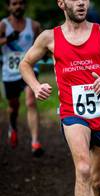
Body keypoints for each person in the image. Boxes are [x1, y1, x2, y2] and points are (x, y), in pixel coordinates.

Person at [19, 0, 100, 196]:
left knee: (99, 182)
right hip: (73, 113)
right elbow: (26, 63)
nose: (81, 2)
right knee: (83, 169)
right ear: (61, 3)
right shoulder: (49, 37)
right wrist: (36, 86)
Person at [0, 0, 44, 157]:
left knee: (31, 101)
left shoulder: (34, 25)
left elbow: (43, 45)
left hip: (30, 69)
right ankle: (12, 125)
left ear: (24, 5)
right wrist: (7, 39)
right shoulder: (3, 25)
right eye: (14, 3)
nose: (17, 6)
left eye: (20, 3)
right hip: (10, 72)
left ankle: (35, 142)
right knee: (13, 106)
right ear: (9, 6)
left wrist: (45, 54)